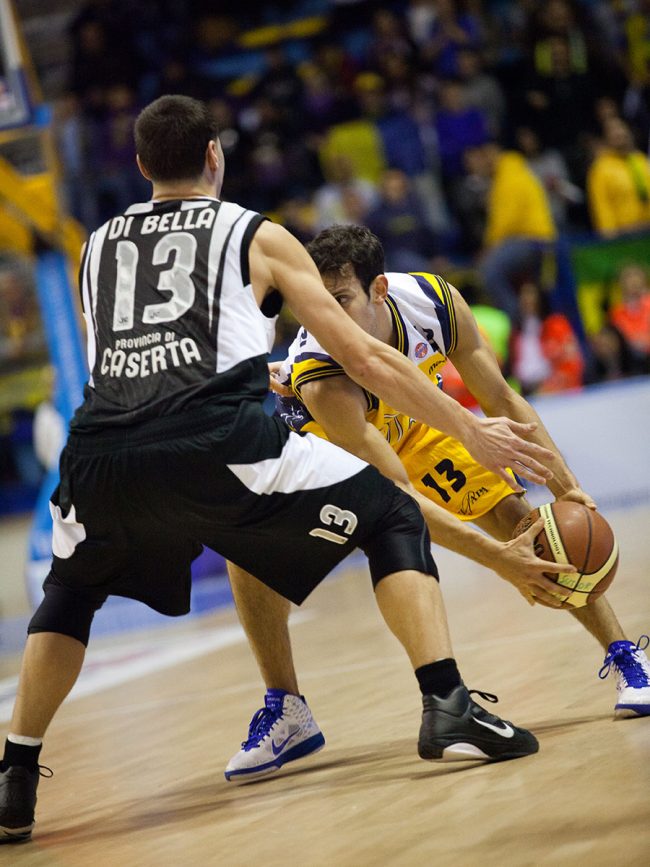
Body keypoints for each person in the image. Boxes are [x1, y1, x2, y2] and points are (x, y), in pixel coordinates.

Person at [0, 96, 557, 844]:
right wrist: (467, 426)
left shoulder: (96, 244)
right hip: (214, 440)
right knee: (391, 510)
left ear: (140, 168)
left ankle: (15, 775)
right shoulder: (255, 235)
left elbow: (128, 357)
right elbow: (361, 356)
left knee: (69, 592)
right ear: (216, 157)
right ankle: (447, 700)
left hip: (100, 451)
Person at [224, 225, 650, 783]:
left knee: (528, 525)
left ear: (378, 289)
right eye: (316, 302)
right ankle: (288, 708)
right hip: (333, 449)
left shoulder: (433, 301)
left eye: (341, 300)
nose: (325, 316)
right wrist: (498, 561)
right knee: (244, 549)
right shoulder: (319, 374)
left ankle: (627, 657)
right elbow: (394, 495)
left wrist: (564, 485)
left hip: (419, 425)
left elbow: (500, 397)